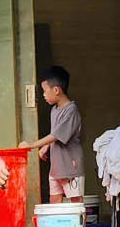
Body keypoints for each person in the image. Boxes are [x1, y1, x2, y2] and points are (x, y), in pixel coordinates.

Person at [29, 66, 86, 204]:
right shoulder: (54, 110)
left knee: (76, 204)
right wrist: (46, 147)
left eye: (44, 91)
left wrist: (31, 145)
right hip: (56, 168)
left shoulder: (71, 110)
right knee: (54, 201)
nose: (43, 95)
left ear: (56, 90)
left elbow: (56, 135)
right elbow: (55, 132)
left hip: (71, 168)